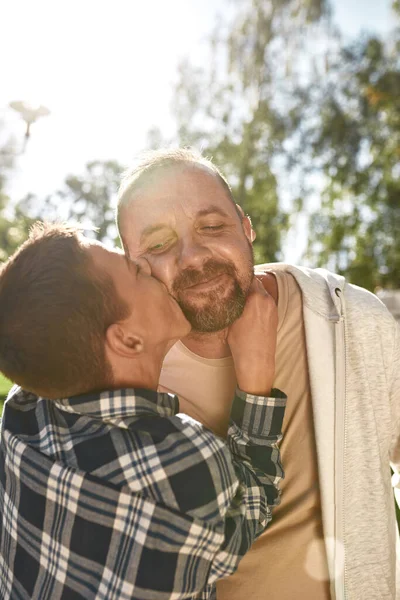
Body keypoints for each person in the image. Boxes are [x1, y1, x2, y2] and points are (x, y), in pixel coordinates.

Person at [117, 147, 400, 600]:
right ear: (132, 265)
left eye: (212, 227)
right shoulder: (120, 382)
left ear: (247, 227)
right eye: (158, 244)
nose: (192, 257)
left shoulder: (354, 321)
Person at [0, 222, 286, 600]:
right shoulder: (184, 464)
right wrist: (256, 376)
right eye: (135, 271)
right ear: (127, 339)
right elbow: (254, 503)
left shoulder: (23, 411)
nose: (149, 266)